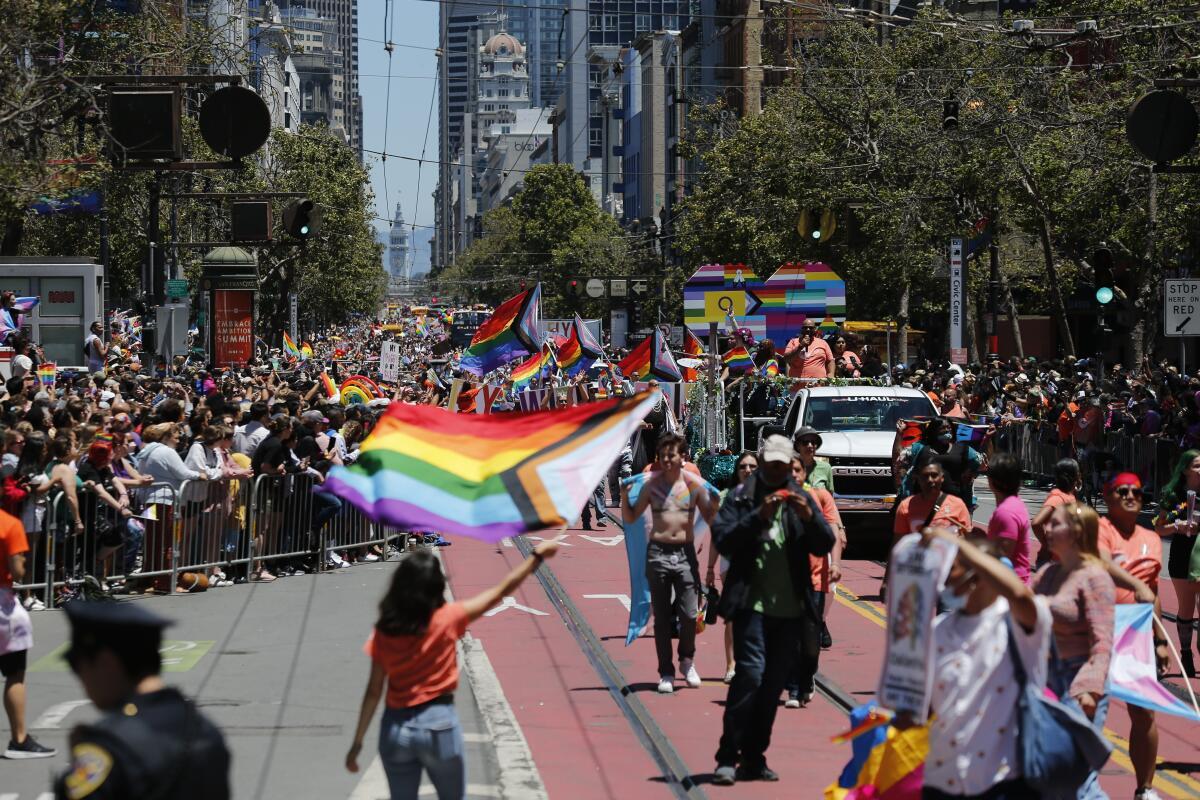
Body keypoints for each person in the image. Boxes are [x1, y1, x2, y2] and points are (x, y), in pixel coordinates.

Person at [345, 542, 560, 799]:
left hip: (397, 727)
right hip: (439, 723)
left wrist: (357, 743)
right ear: (437, 586)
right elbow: (500, 591)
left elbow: (373, 690)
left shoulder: (386, 628)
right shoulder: (449, 618)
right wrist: (536, 557)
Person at [710, 435, 835, 785]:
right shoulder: (741, 496)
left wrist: (809, 517)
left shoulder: (801, 496)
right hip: (752, 605)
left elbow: (824, 542)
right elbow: (723, 539)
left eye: (784, 465)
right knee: (750, 674)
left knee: (772, 686)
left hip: (791, 610)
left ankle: (754, 757)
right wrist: (756, 516)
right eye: (772, 465)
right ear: (763, 464)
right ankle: (726, 756)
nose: (778, 471)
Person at [917, 530, 1052, 799]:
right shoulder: (938, 629)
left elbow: (1019, 595)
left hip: (1003, 779)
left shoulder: (1019, 625)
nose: (944, 576)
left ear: (976, 575)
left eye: (952, 568)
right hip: (943, 779)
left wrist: (956, 544)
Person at [54, 601, 230, 798]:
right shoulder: (204, 728)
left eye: (76, 665)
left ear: (106, 662)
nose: (80, 678)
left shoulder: (109, 748)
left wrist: (79, 764)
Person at [1032, 502, 1115, 800]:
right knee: (1049, 775)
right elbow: (1021, 608)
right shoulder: (1049, 574)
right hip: (1048, 681)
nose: (1047, 529)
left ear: (1077, 531)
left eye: (1055, 524)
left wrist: (1090, 690)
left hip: (1080, 682)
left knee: (1079, 781)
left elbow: (1103, 642)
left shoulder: (1094, 577)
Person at [622, 432, 716, 693]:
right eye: (663, 456)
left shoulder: (692, 484)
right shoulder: (651, 486)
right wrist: (623, 495)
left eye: (671, 455)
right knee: (662, 619)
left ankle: (687, 660)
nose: (667, 460)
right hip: (659, 554)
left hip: (685, 554)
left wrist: (716, 505)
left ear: (682, 457)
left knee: (688, 614)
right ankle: (666, 671)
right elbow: (632, 517)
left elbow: (708, 515)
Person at [1098, 473, 1167, 800]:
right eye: (1121, 491)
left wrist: (1160, 638)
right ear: (1108, 496)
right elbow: (1098, 562)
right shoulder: (1099, 528)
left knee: (1143, 712)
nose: (1129, 496)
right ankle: (1081, 784)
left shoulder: (1152, 538)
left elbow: (1153, 590)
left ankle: (1145, 788)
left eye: (1136, 492)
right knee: (1089, 708)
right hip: (1099, 627)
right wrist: (1134, 585)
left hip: (1136, 632)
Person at [783, 455, 843, 708]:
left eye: (798, 470)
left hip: (815, 577)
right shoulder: (777, 500)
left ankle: (807, 677)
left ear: (804, 473)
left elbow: (833, 532)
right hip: (784, 580)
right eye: (790, 471)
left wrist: (836, 564)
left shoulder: (820, 497)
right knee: (789, 637)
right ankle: (795, 688)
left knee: (810, 642)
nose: (794, 475)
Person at [0, 507, 55, 759]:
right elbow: (19, 570)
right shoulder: (9, 524)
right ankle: (19, 740)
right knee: (14, 674)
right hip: (3, 605)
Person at [706, 450, 757, 684]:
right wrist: (709, 568)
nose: (747, 470)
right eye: (743, 467)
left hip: (761, 563)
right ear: (736, 471)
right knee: (734, 615)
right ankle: (731, 665)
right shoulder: (726, 496)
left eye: (752, 467)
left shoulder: (767, 494)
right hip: (731, 562)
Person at [1154, 449, 1200, 677]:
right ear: (1185, 470)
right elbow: (1158, 526)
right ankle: (1185, 652)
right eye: (1197, 466)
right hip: (1182, 557)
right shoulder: (1175, 497)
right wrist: (1177, 526)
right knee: (1186, 607)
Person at [986, 453, 1034, 584]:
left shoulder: (1006, 512)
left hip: (1011, 587)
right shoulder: (1013, 503)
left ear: (992, 481)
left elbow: (1002, 558)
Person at [1032, 458, 1082, 565]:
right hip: (1053, 563)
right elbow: (1036, 523)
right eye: (1078, 472)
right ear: (1076, 476)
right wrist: (1046, 544)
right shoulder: (1058, 498)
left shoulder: (1070, 497)